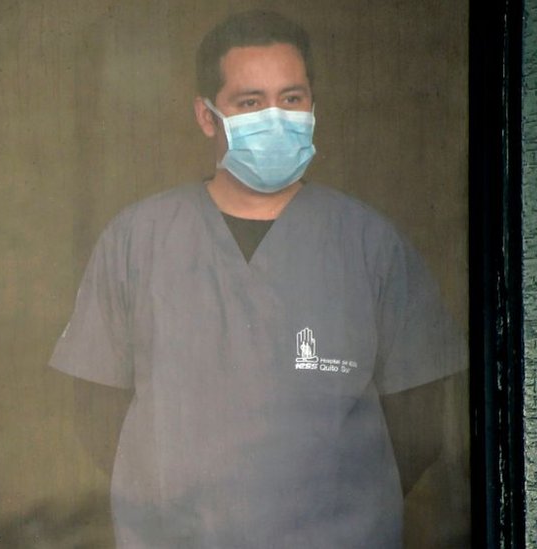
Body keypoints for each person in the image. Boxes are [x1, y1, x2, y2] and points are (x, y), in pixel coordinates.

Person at [49, 10, 465, 548]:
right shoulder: (138, 241)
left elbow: (419, 421)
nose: (276, 117)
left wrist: (335, 508)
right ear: (206, 116)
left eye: (291, 99)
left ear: (313, 106)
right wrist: (177, 503)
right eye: (250, 103)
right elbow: (97, 411)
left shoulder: (369, 245)